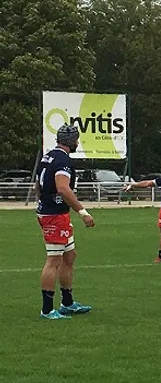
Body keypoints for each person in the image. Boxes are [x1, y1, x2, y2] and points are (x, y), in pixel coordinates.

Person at [34, 123, 94, 319]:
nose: (77, 142)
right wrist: (83, 212)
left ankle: (67, 302)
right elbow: (63, 188)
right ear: (70, 141)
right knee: (54, 260)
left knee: (69, 256)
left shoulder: (48, 156)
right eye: (76, 139)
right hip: (55, 215)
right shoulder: (63, 161)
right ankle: (47, 309)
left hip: (55, 212)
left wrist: (42, 202)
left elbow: (37, 183)